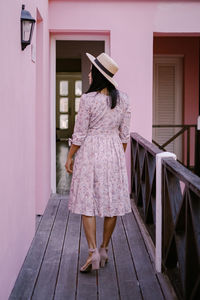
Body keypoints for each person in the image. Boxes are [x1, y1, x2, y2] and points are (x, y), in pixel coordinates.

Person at [65, 52, 132, 272]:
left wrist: (69, 155)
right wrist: (116, 157)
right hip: (113, 152)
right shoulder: (124, 100)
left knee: (88, 202)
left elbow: (80, 133)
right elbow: (124, 136)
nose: (89, 74)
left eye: (92, 70)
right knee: (110, 203)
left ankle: (92, 251)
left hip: (91, 153)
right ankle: (104, 248)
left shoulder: (88, 100)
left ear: (98, 75)